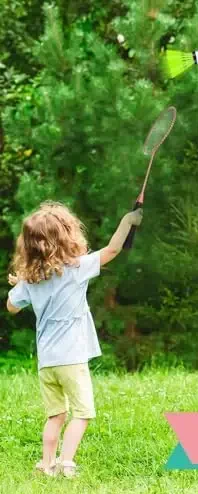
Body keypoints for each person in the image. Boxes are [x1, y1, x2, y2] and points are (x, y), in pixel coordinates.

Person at [6, 201, 143, 477]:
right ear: (67, 237)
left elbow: (11, 307)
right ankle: (66, 463)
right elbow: (112, 249)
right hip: (71, 360)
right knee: (82, 413)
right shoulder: (76, 269)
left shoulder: (30, 281)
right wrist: (128, 221)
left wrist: (20, 283)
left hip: (47, 363)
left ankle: (46, 464)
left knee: (55, 415)